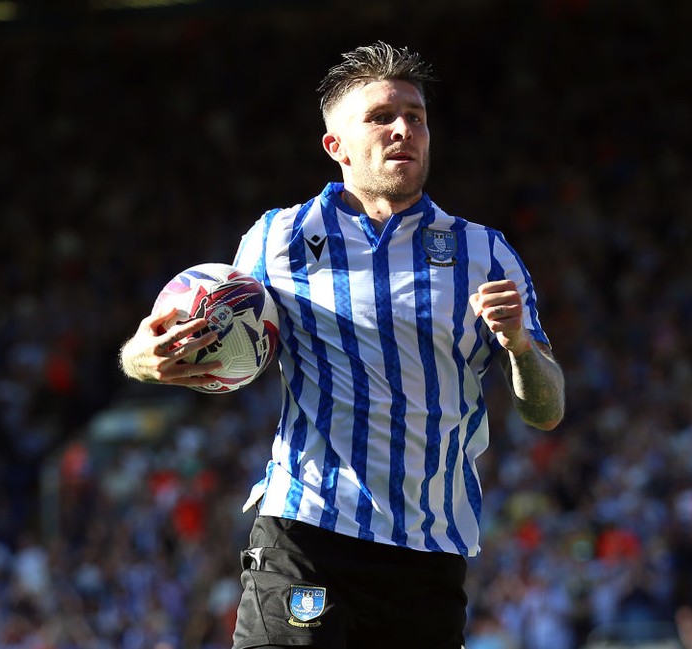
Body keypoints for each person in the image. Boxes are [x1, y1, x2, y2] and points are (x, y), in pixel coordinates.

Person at [119, 41, 565, 649]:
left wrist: (519, 347)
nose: (403, 129)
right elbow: (208, 332)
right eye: (381, 117)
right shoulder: (279, 237)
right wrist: (143, 359)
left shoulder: (485, 253)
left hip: (427, 555)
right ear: (337, 146)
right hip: (307, 535)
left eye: (415, 117)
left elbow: (546, 411)